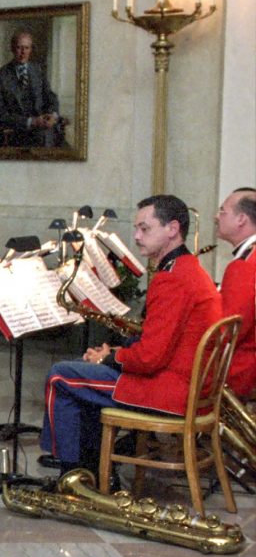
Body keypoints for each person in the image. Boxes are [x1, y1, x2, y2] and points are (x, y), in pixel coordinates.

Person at [39, 195, 222, 474]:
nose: (136, 236)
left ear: (172, 229)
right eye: (136, 228)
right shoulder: (189, 268)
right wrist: (111, 354)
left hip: (170, 391)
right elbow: (158, 345)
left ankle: (72, 472)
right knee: (80, 372)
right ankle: (95, 471)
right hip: (188, 386)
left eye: (145, 228)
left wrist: (108, 359)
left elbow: (149, 358)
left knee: (60, 376)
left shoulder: (173, 279)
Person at [0, 31, 63, 148]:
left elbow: (50, 96)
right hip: (16, 130)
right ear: (12, 49)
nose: (23, 52)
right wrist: (31, 121)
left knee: (52, 137)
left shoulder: (38, 70)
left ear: (31, 49)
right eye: (19, 47)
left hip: (42, 128)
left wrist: (53, 115)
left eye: (26, 48)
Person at [215, 187, 256, 398]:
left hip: (239, 370)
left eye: (222, 211)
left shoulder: (245, 264)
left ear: (241, 219)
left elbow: (230, 331)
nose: (216, 216)